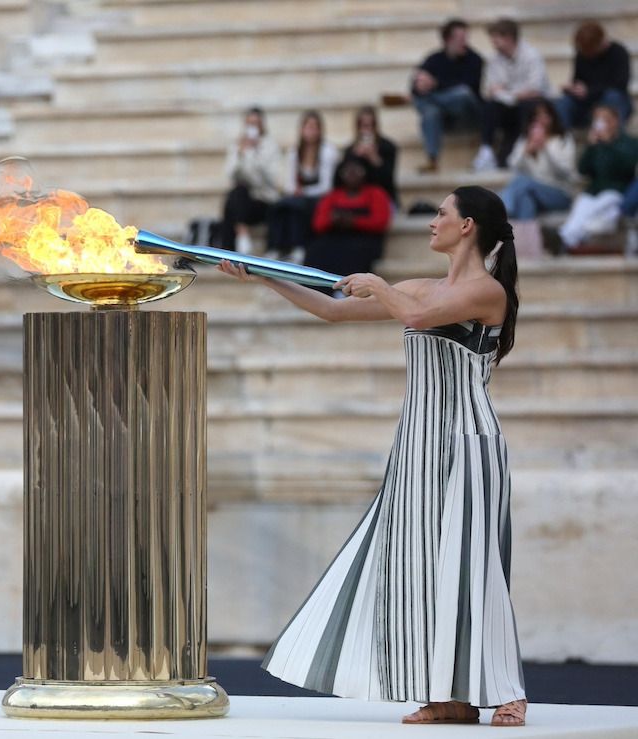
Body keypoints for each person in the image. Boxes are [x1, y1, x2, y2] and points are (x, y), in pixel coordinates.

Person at [219, 185, 528, 727]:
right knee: (419, 565)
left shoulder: (486, 293)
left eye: (441, 213)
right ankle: (448, 695)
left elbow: (420, 314)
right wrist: (266, 275)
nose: (432, 221)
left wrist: (382, 287)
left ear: (468, 227)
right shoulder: (416, 288)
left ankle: (507, 689)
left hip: (467, 441)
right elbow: (333, 312)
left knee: (472, 563)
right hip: (416, 443)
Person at [474, 18, 550, 171]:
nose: (493, 43)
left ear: (508, 38)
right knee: (490, 107)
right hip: (508, 108)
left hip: (530, 107)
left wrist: (508, 92)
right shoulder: (494, 60)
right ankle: (486, 150)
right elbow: (488, 90)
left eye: (496, 38)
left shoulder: (531, 55)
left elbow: (535, 88)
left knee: (527, 105)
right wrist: (509, 93)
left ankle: (522, 149)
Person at [558, 106, 638, 250]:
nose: (602, 123)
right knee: (580, 211)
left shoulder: (630, 143)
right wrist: (591, 146)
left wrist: (608, 144)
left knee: (607, 205)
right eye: (598, 119)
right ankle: (568, 239)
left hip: (617, 192)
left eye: (606, 119)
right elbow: (583, 170)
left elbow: (628, 166)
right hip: (594, 192)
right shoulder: (596, 144)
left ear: (615, 121)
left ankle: (579, 235)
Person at [410, 19, 484, 174]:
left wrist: (435, 84)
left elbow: (470, 88)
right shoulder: (434, 59)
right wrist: (419, 84)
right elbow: (416, 86)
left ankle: (427, 99)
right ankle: (433, 159)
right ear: (448, 40)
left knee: (462, 93)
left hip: (469, 116)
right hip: (446, 119)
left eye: (466, 37)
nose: (465, 42)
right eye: (461, 38)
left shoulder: (475, 59)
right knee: (430, 111)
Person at [266, 110, 338, 263]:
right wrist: (296, 192)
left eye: (314, 127)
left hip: (319, 197)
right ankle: (275, 247)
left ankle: (298, 247)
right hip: (299, 197)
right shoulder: (294, 152)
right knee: (280, 206)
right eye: (307, 127)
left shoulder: (327, 151)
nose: (310, 131)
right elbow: (290, 183)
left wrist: (303, 191)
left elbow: (326, 186)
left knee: (296, 207)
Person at [305, 156, 392, 280]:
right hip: (335, 236)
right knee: (317, 250)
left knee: (356, 252)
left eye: (357, 170)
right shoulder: (332, 196)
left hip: (365, 237)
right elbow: (318, 224)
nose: (352, 174)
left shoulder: (375, 193)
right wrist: (333, 220)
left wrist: (354, 221)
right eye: (347, 171)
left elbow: (380, 222)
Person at [219, 106, 283, 255]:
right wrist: (240, 154)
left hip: (264, 199)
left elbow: (273, 180)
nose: (252, 128)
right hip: (244, 199)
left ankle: (236, 242)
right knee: (235, 194)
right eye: (249, 124)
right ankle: (241, 235)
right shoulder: (238, 146)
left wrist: (256, 153)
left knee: (234, 199)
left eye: (256, 123)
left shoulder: (270, 146)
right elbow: (230, 174)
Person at [500, 99, 576, 219]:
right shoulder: (525, 140)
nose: (541, 119)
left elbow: (565, 172)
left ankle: (504, 209)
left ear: (552, 117)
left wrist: (545, 148)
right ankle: (526, 238)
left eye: (545, 115)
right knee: (526, 200)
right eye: (537, 116)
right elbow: (512, 165)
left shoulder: (563, 138)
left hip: (559, 193)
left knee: (522, 181)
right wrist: (526, 151)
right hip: (532, 192)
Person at [554, 21, 631, 130]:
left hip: (612, 101)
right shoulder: (581, 56)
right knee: (564, 103)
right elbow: (578, 80)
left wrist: (589, 90)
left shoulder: (618, 53)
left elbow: (620, 84)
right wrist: (572, 89)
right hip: (587, 104)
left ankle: (606, 138)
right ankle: (561, 141)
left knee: (613, 96)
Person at [345, 106, 398, 207]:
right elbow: (344, 181)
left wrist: (375, 158)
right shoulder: (350, 150)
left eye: (370, 125)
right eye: (363, 125)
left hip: (382, 198)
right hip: (357, 200)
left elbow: (388, 180)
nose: (367, 129)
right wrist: (354, 157)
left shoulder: (388, 147)